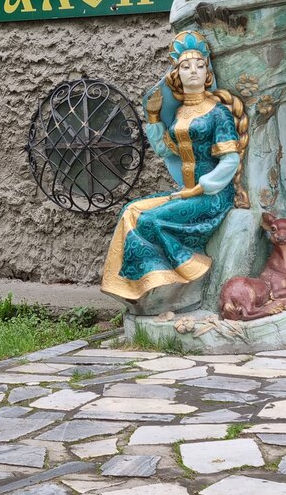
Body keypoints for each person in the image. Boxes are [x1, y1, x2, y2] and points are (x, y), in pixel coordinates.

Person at [100, 30, 248, 304]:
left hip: (212, 196)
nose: (193, 71)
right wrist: (153, 116)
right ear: (176, 74)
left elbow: (230, 161)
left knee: (148, 221)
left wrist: (200, 189)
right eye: (186, 66)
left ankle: (177, 277)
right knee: (130, 211)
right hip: (186, 191)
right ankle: (139, 286)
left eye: (199, 66)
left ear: (208, 74)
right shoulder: (180, 113)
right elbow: (165, 150)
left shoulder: (218, 113)